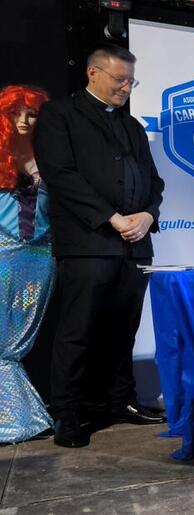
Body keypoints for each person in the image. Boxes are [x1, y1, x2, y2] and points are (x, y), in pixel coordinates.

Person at [34, 45, 166, 449]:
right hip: (88, 243)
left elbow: (154, 181)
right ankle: (68, 414)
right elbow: (62, 176)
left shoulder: (132, 126)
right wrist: (111, 218)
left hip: (134, 246)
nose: (126, 87)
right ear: (93, 74)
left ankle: (121, 400)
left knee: (123, 329)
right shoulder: (60, 116)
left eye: (131, 81)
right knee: (77, 331)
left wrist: (148, 215)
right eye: (119, 79)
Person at [0, 84, 54, 443]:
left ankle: (21, 417)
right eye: (16, 112)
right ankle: (13, 419)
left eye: (31, 113)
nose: (23, 120)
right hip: (2, 251)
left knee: (19, 338)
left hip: (39, 254)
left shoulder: (51, 156)